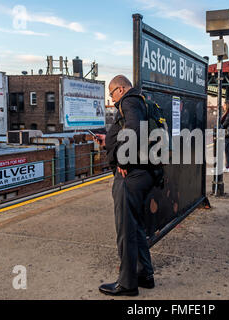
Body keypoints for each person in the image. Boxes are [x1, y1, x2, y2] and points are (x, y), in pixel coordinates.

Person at [94, 75, 155, 297]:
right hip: (143, 172)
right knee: (135, 226)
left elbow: (135, 130)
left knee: (125, 229)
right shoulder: (141, 101)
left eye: (111, 94)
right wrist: (107, 141)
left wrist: (123, 159)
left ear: (120, 89)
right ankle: (144, 275)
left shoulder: (129, 101)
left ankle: (127, 284)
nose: (111, 99)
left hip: (132, 175)